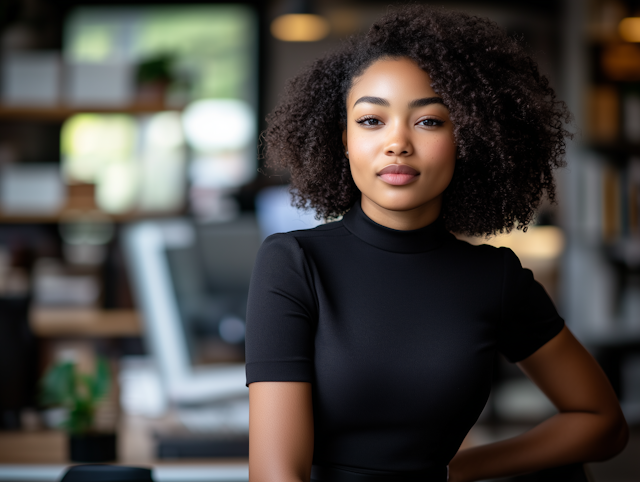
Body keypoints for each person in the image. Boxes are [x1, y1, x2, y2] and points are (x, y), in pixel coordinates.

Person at [245, 6, 628, 482]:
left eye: (428, 121)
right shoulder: (294, 263)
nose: (397, 143)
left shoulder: (495, 277)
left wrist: (460, 469)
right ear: (341, 138)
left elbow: (602, 423)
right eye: (371, 121)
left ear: (468, 137)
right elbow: (276, 474)